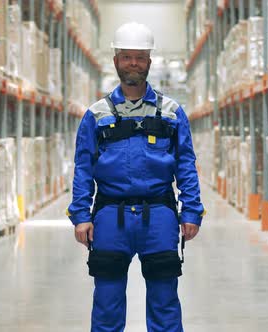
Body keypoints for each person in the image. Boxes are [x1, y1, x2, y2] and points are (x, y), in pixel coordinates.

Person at [66, 21, 205, 332]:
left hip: (159, 215)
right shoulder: (97, 114)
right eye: (127, 57)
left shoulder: (170, 112)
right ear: (116, 61)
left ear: (149, 63)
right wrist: (80, 215)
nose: (133, 64)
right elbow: (83, 168)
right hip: (109, 218)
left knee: (164, 301)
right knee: (107, 302)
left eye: (140, 58)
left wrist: (192, 211)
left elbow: (186, 164)